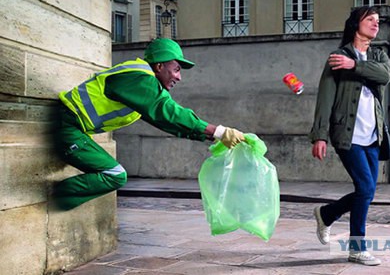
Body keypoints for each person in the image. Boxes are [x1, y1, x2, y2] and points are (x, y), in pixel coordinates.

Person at [52, 38, 245, 210]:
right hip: (69, 126)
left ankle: (58, 200)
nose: (179, 77)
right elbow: (167, 111)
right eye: (176, 69)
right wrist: (218, 131)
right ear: (159, 66)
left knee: (114, 174)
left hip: (73, 127)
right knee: (115, 175)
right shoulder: (141, 78)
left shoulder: (139, 83)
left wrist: (208, 135)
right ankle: (51, 198)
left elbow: (166, 122)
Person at [309, 6, 390, 266]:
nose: (375, 24)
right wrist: (320, 135)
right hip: (347, 135)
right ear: (355, 24)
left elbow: (386, 75)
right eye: (370, 19)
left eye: (378, 21)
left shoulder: (379, 54)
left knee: (365, 191)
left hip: (372, 135)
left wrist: (355, 65)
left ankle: (326, 213)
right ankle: (357, 248)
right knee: (366, 188)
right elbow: (326, 97)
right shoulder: (337, 56)